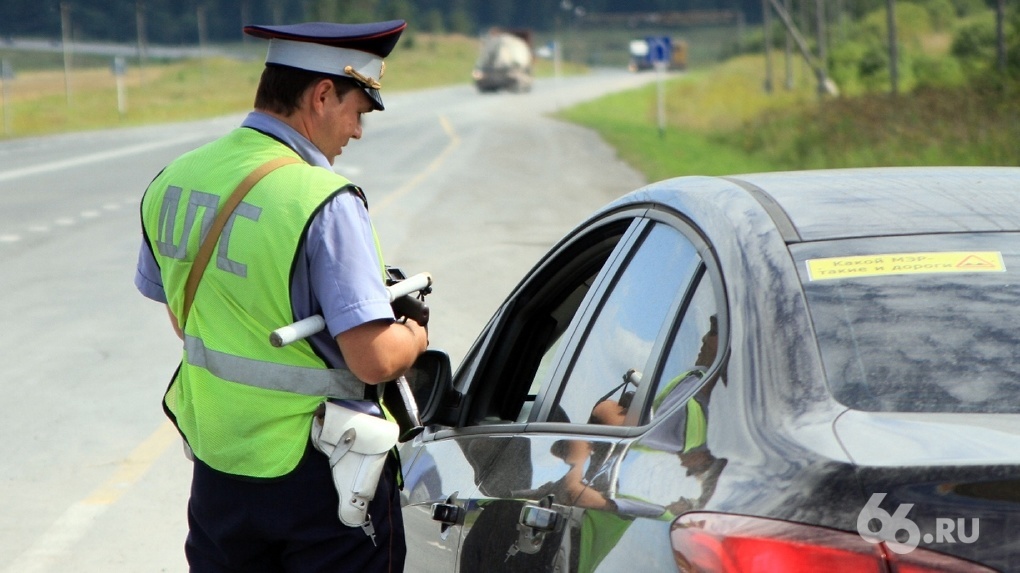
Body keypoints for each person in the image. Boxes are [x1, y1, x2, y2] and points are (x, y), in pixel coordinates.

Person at [133, 19, 428, 572]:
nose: (357, 132)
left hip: (220, 473)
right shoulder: (323, 198)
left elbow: (186, 317)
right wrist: (415, 335)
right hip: (321, 480)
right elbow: (373, 357)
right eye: (358, 111)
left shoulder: (176, 177)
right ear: (321, 95)